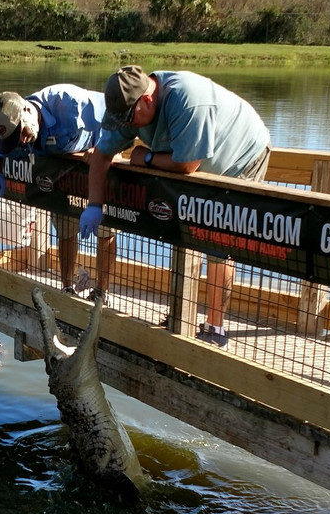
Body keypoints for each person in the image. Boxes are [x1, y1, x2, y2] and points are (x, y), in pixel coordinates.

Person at [80, 65, 271, 347]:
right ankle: (181, 316)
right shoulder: (131, 112)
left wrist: (145, 159)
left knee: (218, 239)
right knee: (180, 229)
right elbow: (102, 155)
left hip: (242, 156)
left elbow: (187, 164)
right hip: (195, 164)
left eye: (129, 119)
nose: (127, 125)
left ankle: (214, 328)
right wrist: (94, 204)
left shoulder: (187, 99)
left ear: (146, 99)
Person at [0, 86, 116, 300]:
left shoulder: (69, 104)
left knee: (104, 229)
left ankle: (102, 292)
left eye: (20, 133)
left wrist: (104, 150)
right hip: (64, 175)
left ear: (27, 112)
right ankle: (66, 287)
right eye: (12, 139)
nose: (20, 141)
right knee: (64, 227)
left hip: (99, 162)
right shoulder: (10, 133)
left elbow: (116, 119)